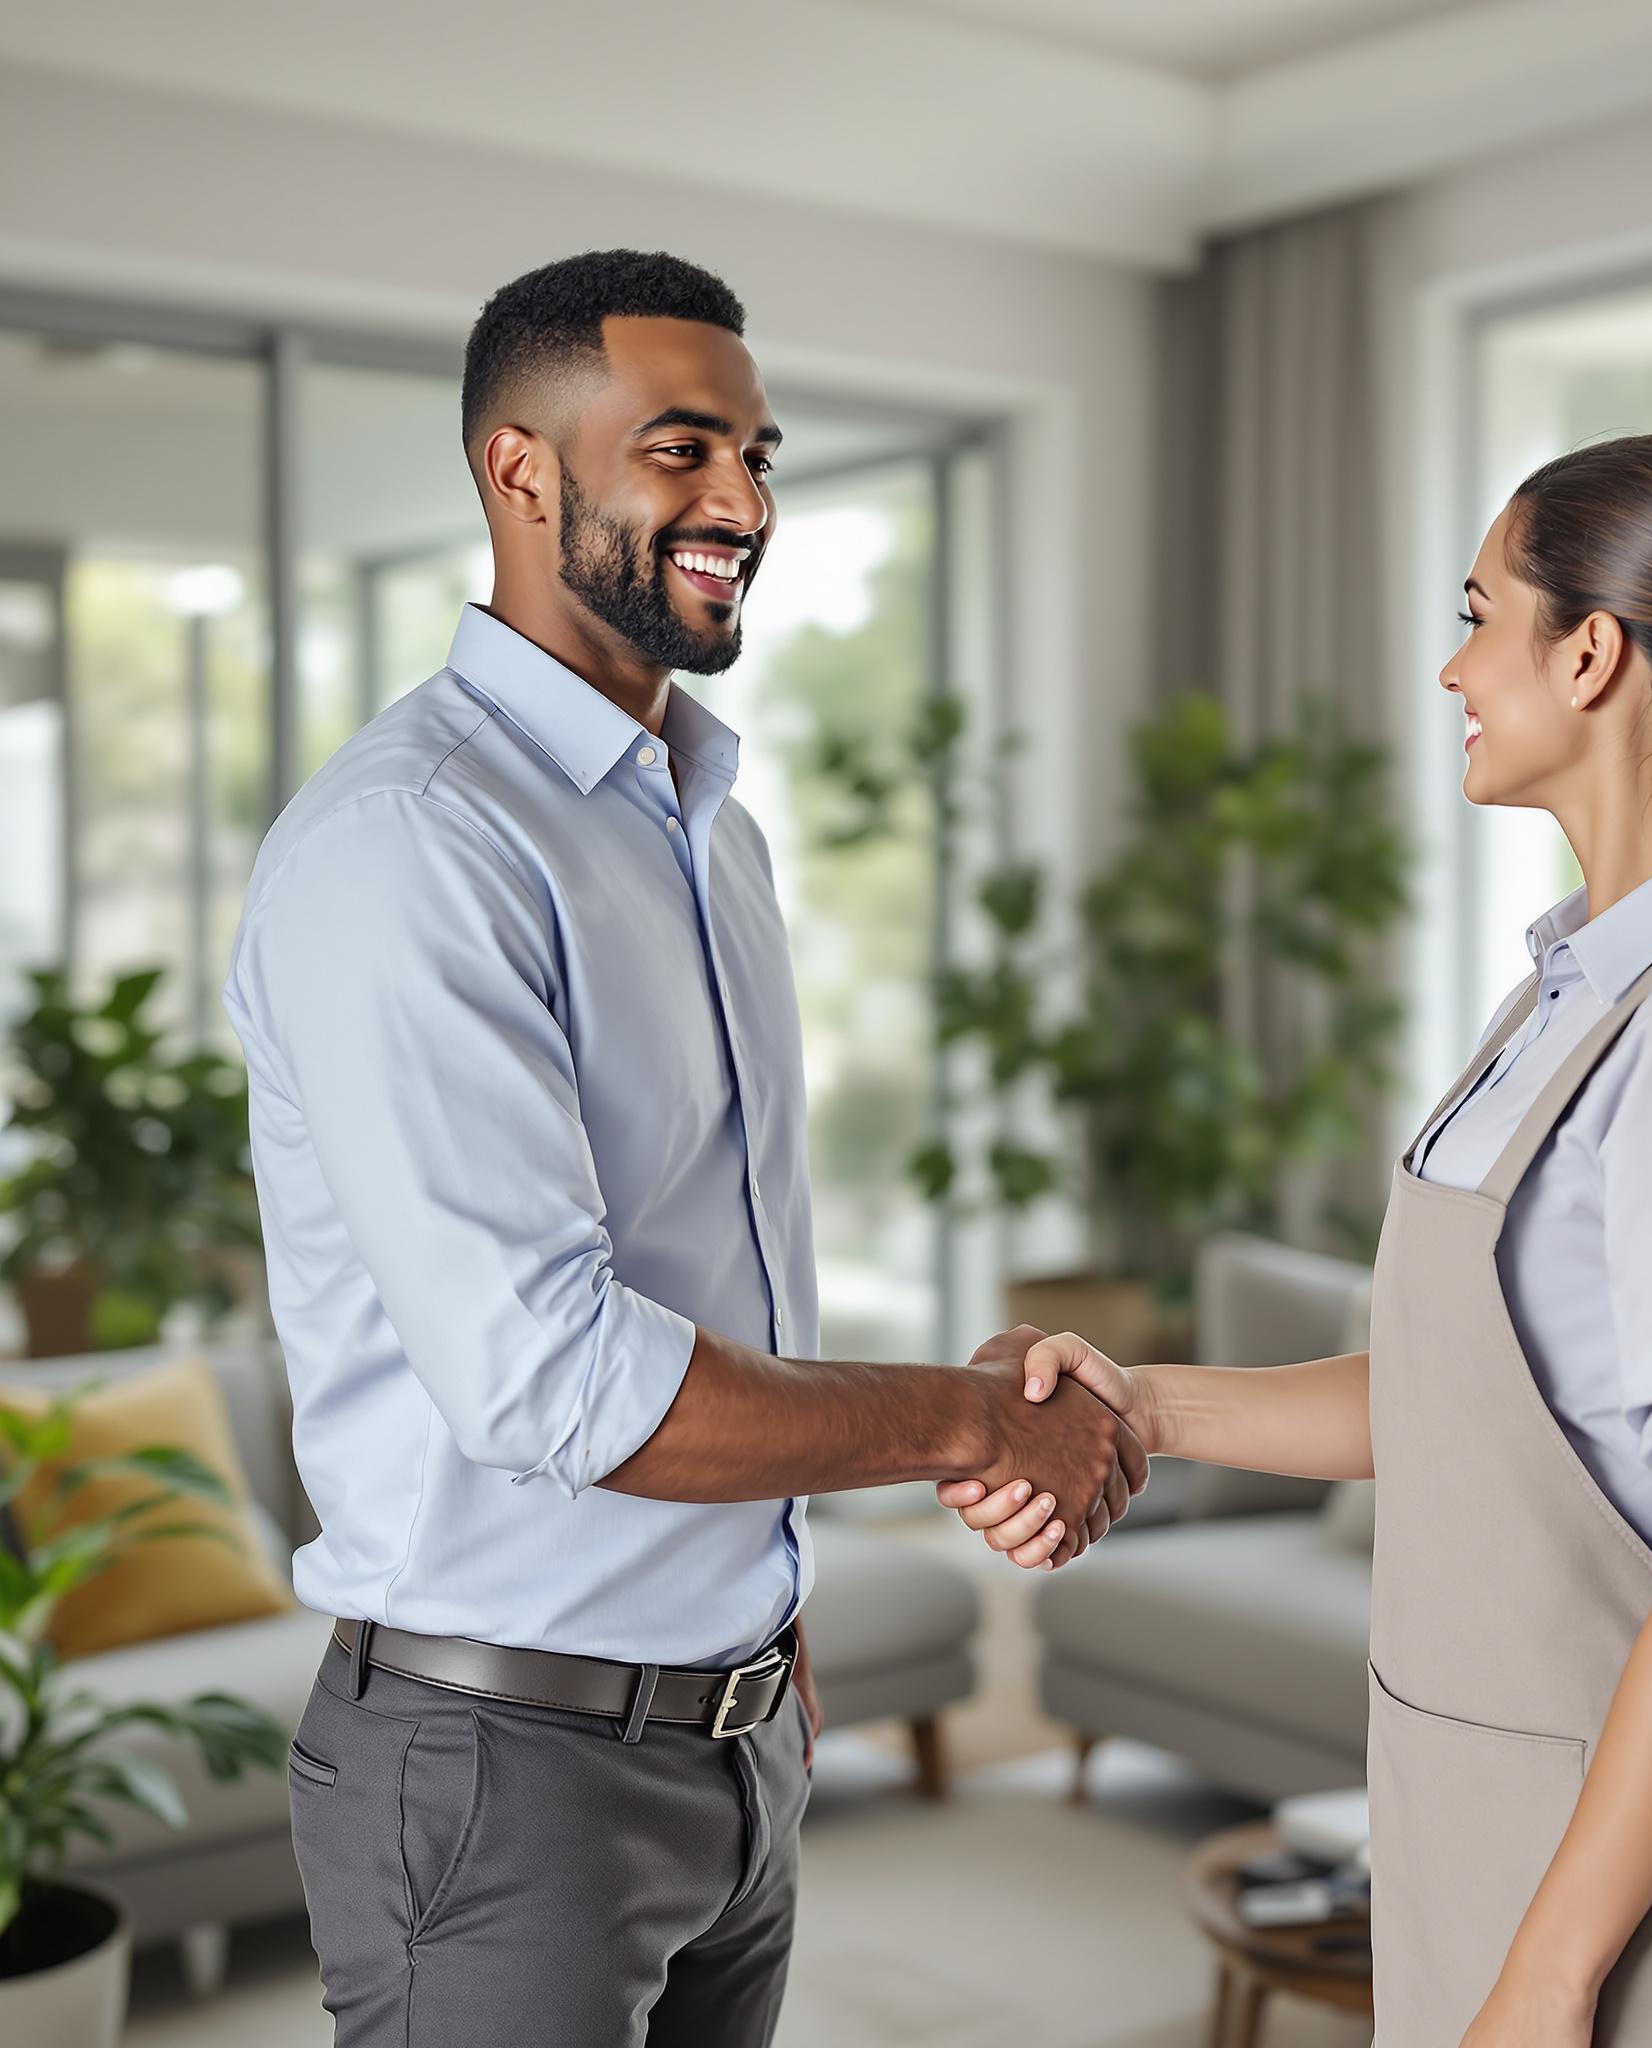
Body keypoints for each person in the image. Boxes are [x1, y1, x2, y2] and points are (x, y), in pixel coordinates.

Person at [941, 432, 1652, 2047]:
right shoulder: (1573, 992)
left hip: (1641, 1893)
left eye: (1479, 612)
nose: (1449, 664)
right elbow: (1474, 1394)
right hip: (1483, 1823)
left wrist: (1549, 1985)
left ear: (1590, 654)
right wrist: (1145, 1403)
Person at [224, 248, 1143, 2048]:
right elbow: (554, 1381)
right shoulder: (412, 846)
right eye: (681, 449)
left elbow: (714, 1274)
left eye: (762, 455)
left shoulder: (708, 828)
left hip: (733, 1739)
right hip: (504, 1772)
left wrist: (762, 1625)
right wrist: (961, 1420)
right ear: (519, 470)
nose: (742, 502)